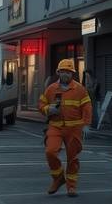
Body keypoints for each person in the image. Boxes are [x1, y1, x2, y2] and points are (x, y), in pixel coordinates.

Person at [39, 60, 93, 197]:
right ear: (58, 73)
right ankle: (58, 178)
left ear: (72, 74)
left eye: (68, 72)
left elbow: (87, 108)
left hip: (74, 128)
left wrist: (86, 124)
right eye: (63, 72)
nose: (65, 74)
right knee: (50, 152)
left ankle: (71, 186)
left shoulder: (80, 89)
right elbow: (41, 105)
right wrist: (48, 109)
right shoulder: (51, 89)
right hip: (55, 126)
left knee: (72, 158)